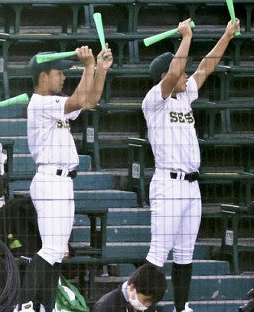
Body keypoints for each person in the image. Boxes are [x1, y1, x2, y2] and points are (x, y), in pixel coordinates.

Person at [143, 18, 238, 312]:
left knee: (185, 254)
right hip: (168, 184)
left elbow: (207, 66)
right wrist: (186, 37)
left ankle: (181, 307)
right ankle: (133, 303)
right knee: (158, 254)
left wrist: (227, 35)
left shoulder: (185, 96)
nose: (186, 75)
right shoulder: (153, 100)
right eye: (181, 70)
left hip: (190, 185)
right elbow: (174, 73)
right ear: (166, 74)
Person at [19, 45, 112, 312]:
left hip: (62, 181)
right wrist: (88, 66)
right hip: (50, 179)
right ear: (43, 76)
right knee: (50, 250)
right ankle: (21, 304)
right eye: (58, 73)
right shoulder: (40, 102)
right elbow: (78, 100)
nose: (62, 78)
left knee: (57, 252)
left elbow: (89, 101)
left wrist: (100, 70)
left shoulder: (52, 103)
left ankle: (48, 306)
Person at [92, 263, 167, 312]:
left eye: (151, 302)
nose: (147, 305)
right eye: (145, 300)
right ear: (132, 288)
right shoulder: (106, 307)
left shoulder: (149, 303)